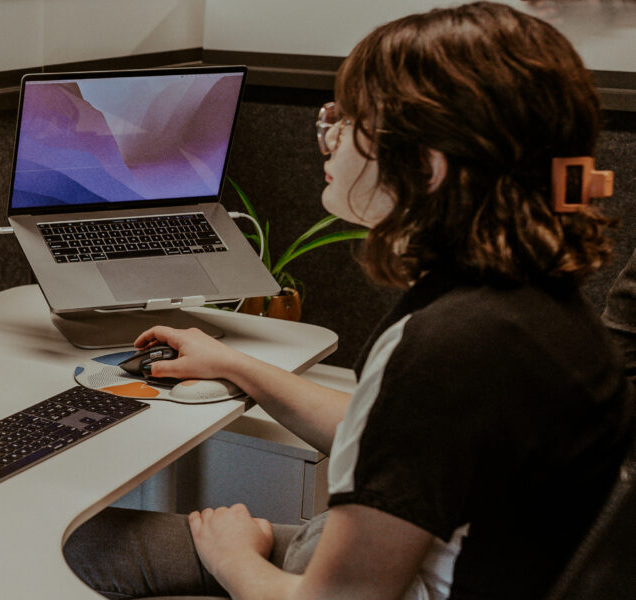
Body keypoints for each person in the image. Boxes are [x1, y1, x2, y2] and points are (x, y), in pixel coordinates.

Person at [63, 3, 633, 599]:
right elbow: (398, 438)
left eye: (351, 120)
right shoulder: (530, 309)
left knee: (65, 555)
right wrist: (235, 365)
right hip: (375, 561)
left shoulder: (453, 346)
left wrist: (234, 557)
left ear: (427, 165)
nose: (329, 137)